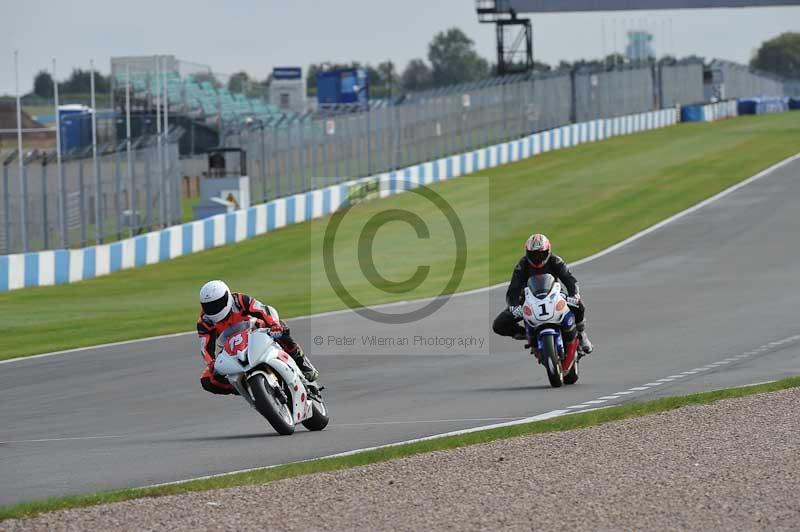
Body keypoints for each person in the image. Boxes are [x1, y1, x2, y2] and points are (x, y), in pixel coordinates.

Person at [196, 280, 319, 395]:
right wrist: (211, 363)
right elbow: (205, 347)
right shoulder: (205, 321)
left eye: (217, 303)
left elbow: (262, 309)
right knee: (207, 379)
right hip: (232, 347)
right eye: (209, 306)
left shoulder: (238, 300)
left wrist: (274, 325)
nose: (214, 308)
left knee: (282, 330)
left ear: (227, 297)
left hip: (256, 330)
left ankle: (302, 363)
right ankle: (244, 388)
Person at [492, 233, 593, 354]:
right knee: (499, 324)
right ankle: (527, 334)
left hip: (554, 295)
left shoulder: (555, 260)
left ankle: (581, 334)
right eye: (533, 255)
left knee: (579, 306)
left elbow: (569, 279)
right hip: (529, 299)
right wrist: (514, 306)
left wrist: (574, 294)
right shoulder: (522, 265)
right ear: (527, 253)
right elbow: (513, 289)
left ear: (548, 251)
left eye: (541, 254)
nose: (537, 258)